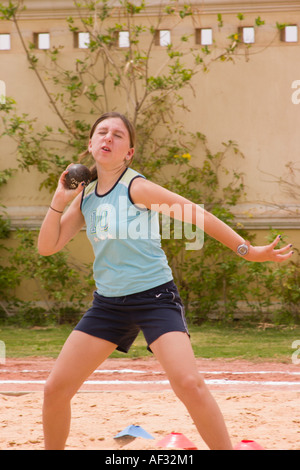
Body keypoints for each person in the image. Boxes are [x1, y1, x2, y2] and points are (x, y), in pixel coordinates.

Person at [38, 112, 293, 450]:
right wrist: (59, 201)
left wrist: (247, 250)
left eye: (117, 135)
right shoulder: (85, 197)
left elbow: (196, 214)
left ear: (129, 152)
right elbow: (47, 246)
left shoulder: (136, 187)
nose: (108, 138)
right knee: (55, 389)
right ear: (90, 144)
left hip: (154, 299)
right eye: (102, 132)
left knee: (189, 383)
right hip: (108, 305)